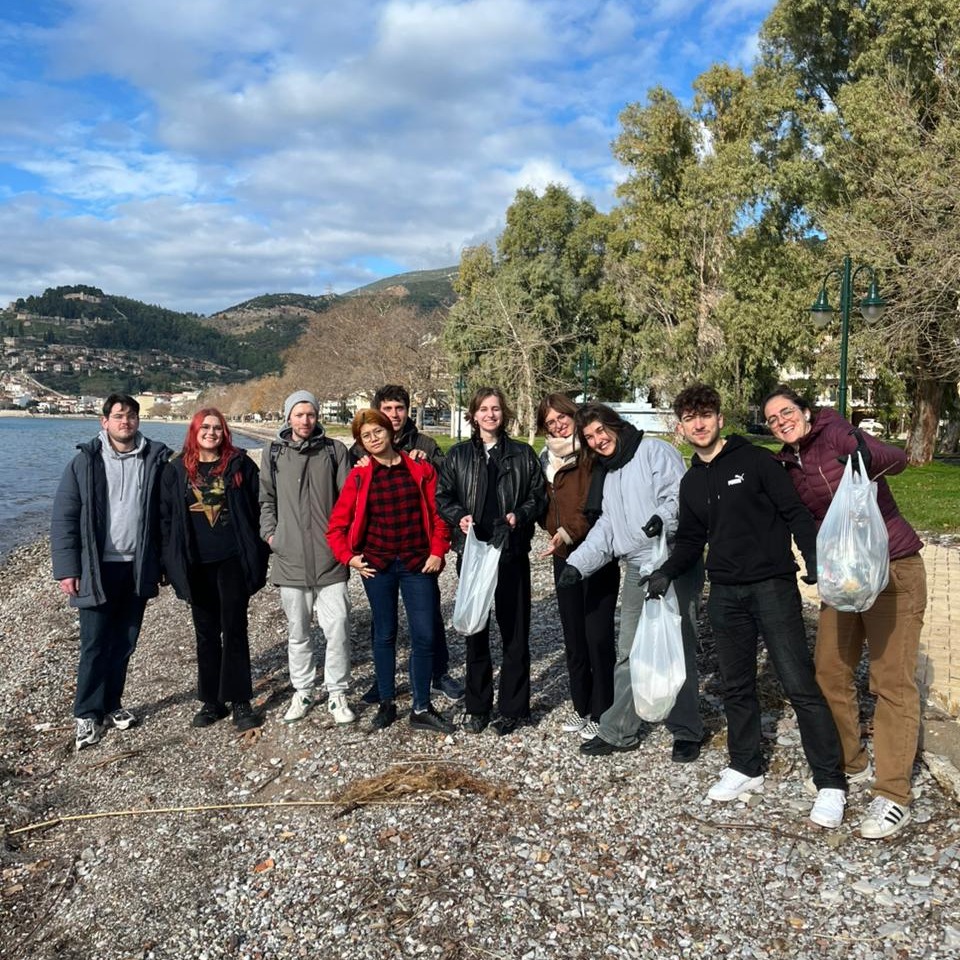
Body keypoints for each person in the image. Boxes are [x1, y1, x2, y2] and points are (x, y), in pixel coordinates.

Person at [645, 384, 847, 829]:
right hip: (726, 593)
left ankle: (830, 781)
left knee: (799, 684)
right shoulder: (691, 481)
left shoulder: (755, 461)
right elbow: (694, 539)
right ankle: (746, 766)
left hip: (772, 586)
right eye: (690, 418)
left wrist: (812, 559)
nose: (699, 424)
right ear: (680, 427)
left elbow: (794, 512)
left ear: (720, 419)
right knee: (737, 685)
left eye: (706, 415)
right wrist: (668, 571)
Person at [763, 384, 926, 840]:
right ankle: (850, 762)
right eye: (773, 419)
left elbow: (898, 458)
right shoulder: (787, 462)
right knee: (830, 671)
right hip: (844, 578)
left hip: (893, 568)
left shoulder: (837, 432)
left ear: (806, 411)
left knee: (890, 680)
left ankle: (893, 795)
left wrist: (864, 452)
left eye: (787, 412)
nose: (781, 421)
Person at [557, 402, 705, 764]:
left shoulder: (654, 451)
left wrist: (662, 519)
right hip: (639, 567)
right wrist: (578, 564)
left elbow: (677, 497)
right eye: (589, 437)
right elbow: (607, 526)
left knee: (677, 647)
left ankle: (687, 730)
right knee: (628, 651)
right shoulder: (609, 472)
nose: (597, 440)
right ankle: (619, 729)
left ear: (615, 425)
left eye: (599, 431)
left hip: (673, 561)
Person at [51, 393, 170, 750]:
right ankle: (86, 712)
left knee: (125, 641)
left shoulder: (154, 460)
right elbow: (64, 518)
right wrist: (67, 569)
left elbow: (164, 519)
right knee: (94, 643)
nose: (126, 422)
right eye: (119, 416)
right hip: (95, 568)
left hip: (136, 566)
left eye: (131, 416)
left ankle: (112, 705)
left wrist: (163, 564)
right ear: (104, 422)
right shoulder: (83, 463)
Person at [327, 409, 454, 732]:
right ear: (361, 442)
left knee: (424, 634)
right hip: (378, 564)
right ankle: (386, 702)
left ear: (390, 432)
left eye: (378, 432)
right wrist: (349, 558)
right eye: (366, 436)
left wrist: (438, 551)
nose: (374, 439)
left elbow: (439, 515)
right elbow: (336, 527)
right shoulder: (359, 476)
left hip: (417, 563)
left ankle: (421, 706)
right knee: (384, 634)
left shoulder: (420, 469)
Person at [436, 387, 547, 735]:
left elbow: (538, 496)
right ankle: (478, 705)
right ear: (473, 415)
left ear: (504, 414)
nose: (490, 415)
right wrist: (459, 517)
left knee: (515, 633)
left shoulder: (522, 454)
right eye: (483, 409)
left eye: (495, 409)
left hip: (510, 551)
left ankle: (514, 707)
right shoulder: (457, 456)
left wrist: (520, 515)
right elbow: (444, 495)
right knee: (476, 631)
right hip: (473, 554)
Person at [349, 384, 464, 705]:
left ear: (407, 411)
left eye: (399, 408)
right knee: (382, 622)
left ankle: (437, 673)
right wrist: (351, 552)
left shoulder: (425, 443)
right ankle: (382, 681)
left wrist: (429, 462)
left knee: (428, 617)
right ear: (378, 412)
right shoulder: (360, 449)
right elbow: (348, 497)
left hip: (418, 548)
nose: (394, 415)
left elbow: (445, 485)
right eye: (388, 409)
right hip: (380, 550)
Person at [160, 409, 269, 732]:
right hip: (196, 562)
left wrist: (259, 551)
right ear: (194, 431)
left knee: (234, 628)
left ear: (225, 432)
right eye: (205, 427)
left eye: (217, 428)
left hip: (232, 559)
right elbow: (165, 520)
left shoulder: (240, 465)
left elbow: (258, 507)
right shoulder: (176, 470)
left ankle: (240, 701)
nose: (211, 432)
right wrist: (167, 561)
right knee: (205, 632)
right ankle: (211, 701)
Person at [259, 390, 355, 726]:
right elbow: (266, 500)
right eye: (298, 415)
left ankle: (337, 692)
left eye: (310, 414)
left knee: (338, 628)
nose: (305, 420)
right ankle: (302, 690)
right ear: (288, 417)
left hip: (331, 561)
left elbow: (348, 502)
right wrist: (272, 536)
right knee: (298, 632)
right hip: (290, 560)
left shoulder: (334, 451)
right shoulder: (273, 454)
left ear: (317, 417)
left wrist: (344, 543)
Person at [536, 393, 618, 742]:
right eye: (550, 421)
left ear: (573, 415)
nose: (557, 425)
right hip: (562, 556)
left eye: (562, 418)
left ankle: (604, 709)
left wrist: (568, 532)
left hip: (595, 555)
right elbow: (542, 502)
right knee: (573, 635)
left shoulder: (589, 456)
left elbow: (592, 505)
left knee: (597, 635)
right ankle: (581, 704)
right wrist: (549, 528)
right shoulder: (545, 459)